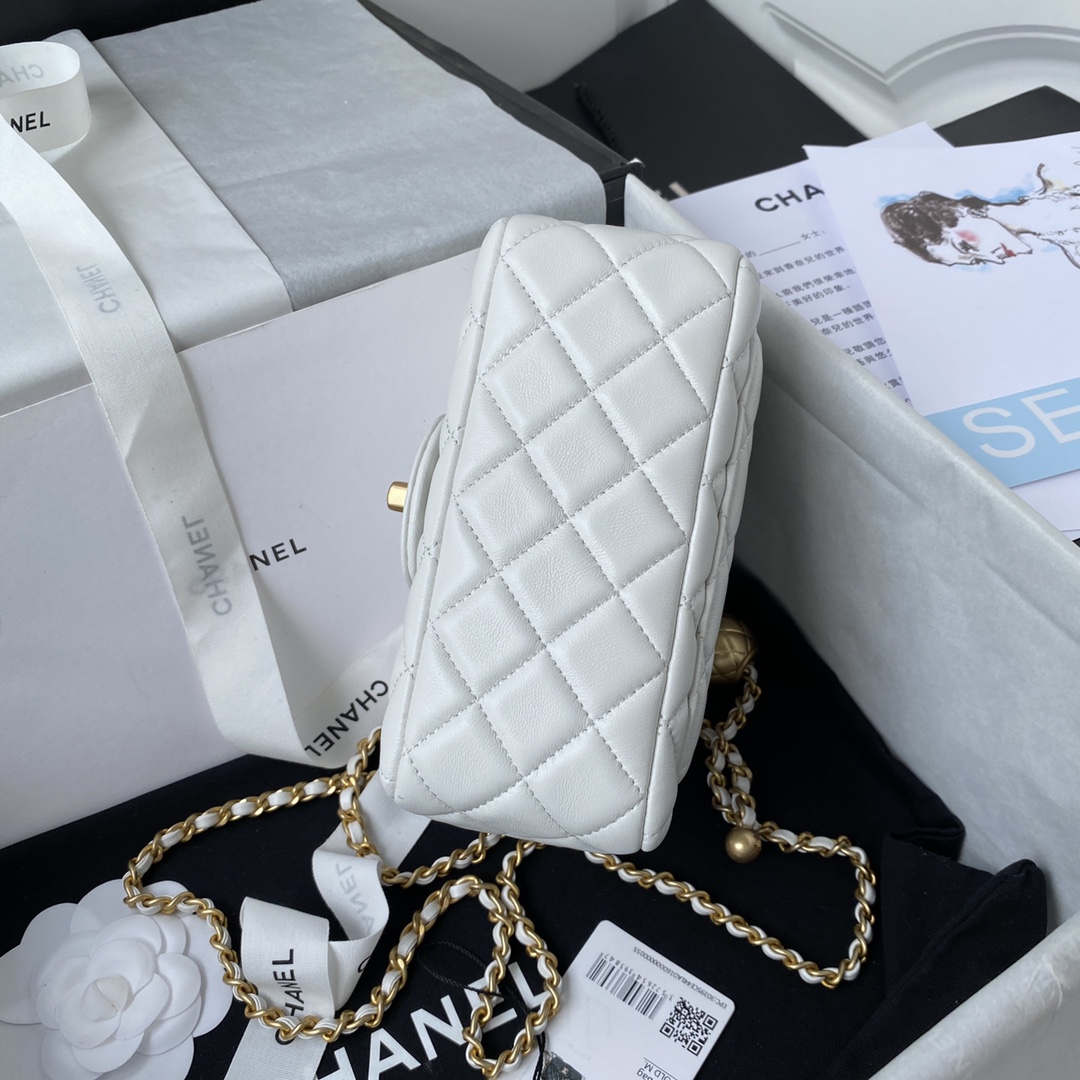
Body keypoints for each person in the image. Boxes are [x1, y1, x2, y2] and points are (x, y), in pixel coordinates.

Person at [881, 164, 1080, 269]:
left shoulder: (1062, 170)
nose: (996, 259)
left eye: (967, 247)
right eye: (978, 261)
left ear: (962, 212)